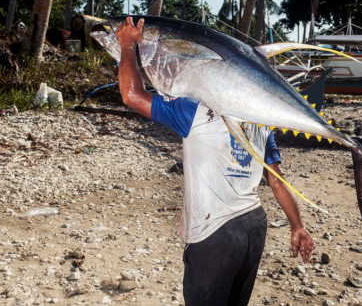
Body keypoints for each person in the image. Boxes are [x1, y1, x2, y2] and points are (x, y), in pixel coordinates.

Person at [115, 16, 315, 306]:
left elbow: (131, 95)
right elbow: (276, 178)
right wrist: (297, 226)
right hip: (254, 227)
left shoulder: (192, 110)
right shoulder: (260, 122)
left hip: (215, 235)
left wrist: (126, 47)